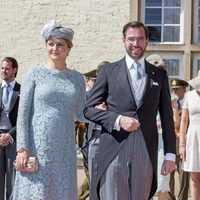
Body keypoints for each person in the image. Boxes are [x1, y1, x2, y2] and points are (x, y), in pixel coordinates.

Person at [84, 21, 176, 200]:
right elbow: (88, 110)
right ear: (123, 40)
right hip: (114, 146)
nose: (136, 44)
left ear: (147, 41)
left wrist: (170, 155)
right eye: (131, 39)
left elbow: (167, 118)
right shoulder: (108, 71)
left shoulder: (159, 74)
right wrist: (118, 120)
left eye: (140, 39)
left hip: (146, 148)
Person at [12, 19, 86, 200]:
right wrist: (22, 148)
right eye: (51, 44)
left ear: (69, 48)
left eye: (60, 44)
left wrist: (104, 110)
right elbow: (23, 113)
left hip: (64, 146)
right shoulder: (34, 73)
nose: (55, 48)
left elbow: (81, 113)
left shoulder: (77, 78)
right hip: (37, 146)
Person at [146, 54, 170, 200]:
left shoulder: (168, 92)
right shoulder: (140, 89)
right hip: (146, 138)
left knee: (163, 179)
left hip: (162, 139)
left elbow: (173, 120)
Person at [0, 57, 20, 200]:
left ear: (14, 70)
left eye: (7, 68)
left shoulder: (22, 90)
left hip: (13, 137)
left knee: (13, 179)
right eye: (2, 68)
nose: (3, 71)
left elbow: (24, 118)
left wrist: (10, 135)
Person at [179, 71, 200, 200]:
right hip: (193, 138)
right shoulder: (189, 96)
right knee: (194, 176)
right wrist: (182, 144)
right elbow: (184, 121)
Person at [169, 78, 190, 200]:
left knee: (183, 177)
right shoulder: (169, 104)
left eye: (177, 89)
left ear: (184, 89)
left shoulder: (189, 104)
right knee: (168, 177)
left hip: (184, 145)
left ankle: (183, 198)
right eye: (173, 89)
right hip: (171, 145)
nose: (174, 91)